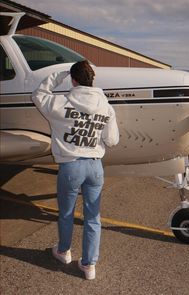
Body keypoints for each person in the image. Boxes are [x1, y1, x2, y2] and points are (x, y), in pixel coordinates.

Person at [31, 60, 119, 280]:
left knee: (67, 214)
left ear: (73, 79)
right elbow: (112, 140)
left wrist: (57, 75)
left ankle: (63, 252)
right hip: (95, 167)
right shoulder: (106, 107)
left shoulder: (60, 103)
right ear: (92, 80)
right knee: (93, 218)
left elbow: (38, 94)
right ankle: (89, 266)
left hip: (71, 166)